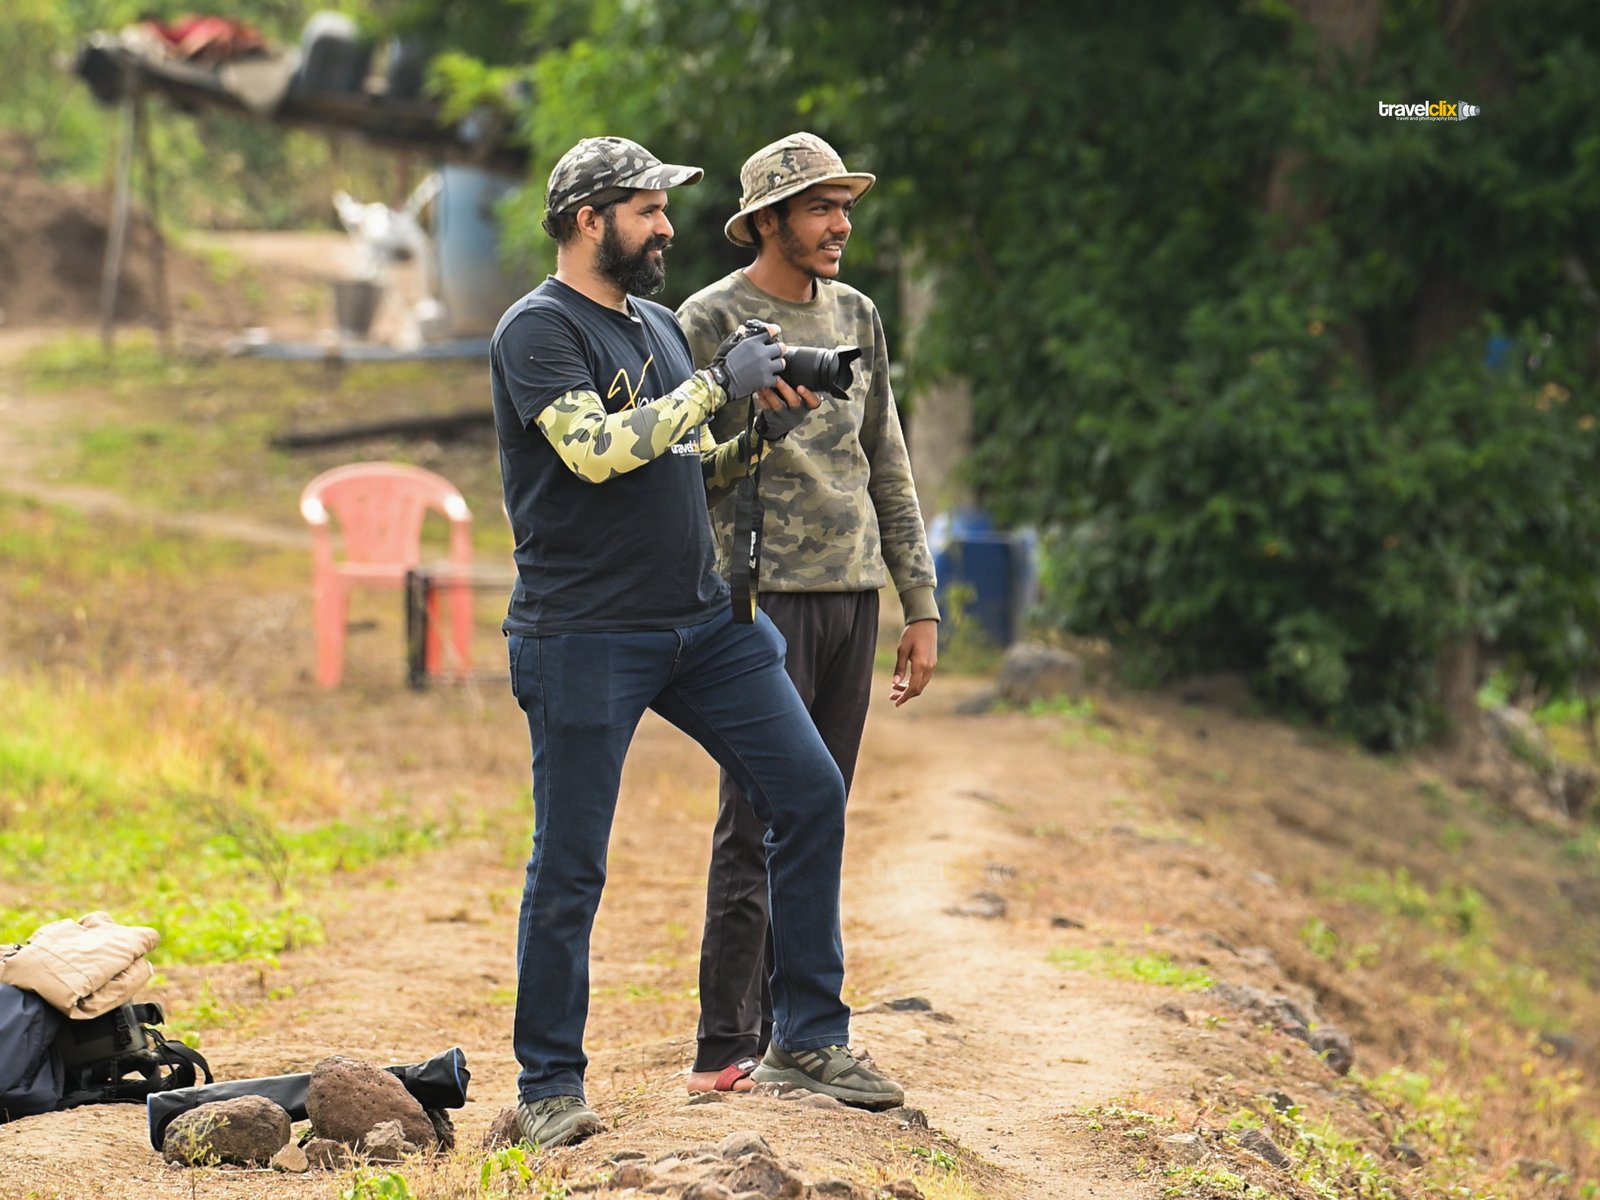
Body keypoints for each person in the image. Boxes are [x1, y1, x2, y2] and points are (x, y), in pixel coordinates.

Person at [489, 135, 906, 1150]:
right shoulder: (537, 332)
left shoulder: (663, 328)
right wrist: (720, 382)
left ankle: (805, 1034)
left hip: (701, 623)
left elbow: (684, 469)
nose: (668, 226)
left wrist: (753, 432)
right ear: (591, 221)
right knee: (573, 863)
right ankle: (549, 1085)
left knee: (807, 792)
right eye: (647, 209)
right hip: (583, 633)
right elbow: (595, 454)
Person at [676, 132, 939, 1095]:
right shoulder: (706, 318)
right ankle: (722, 1047)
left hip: (851, 597)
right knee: (754, 818)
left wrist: (921, 603)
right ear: (771, 220)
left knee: (818, 813)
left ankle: (802, 1037)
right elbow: (677, 469)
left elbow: (888, 460)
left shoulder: (859, 313)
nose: (841, 225)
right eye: (822, 207)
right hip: (755, 594)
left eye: (844, 206)